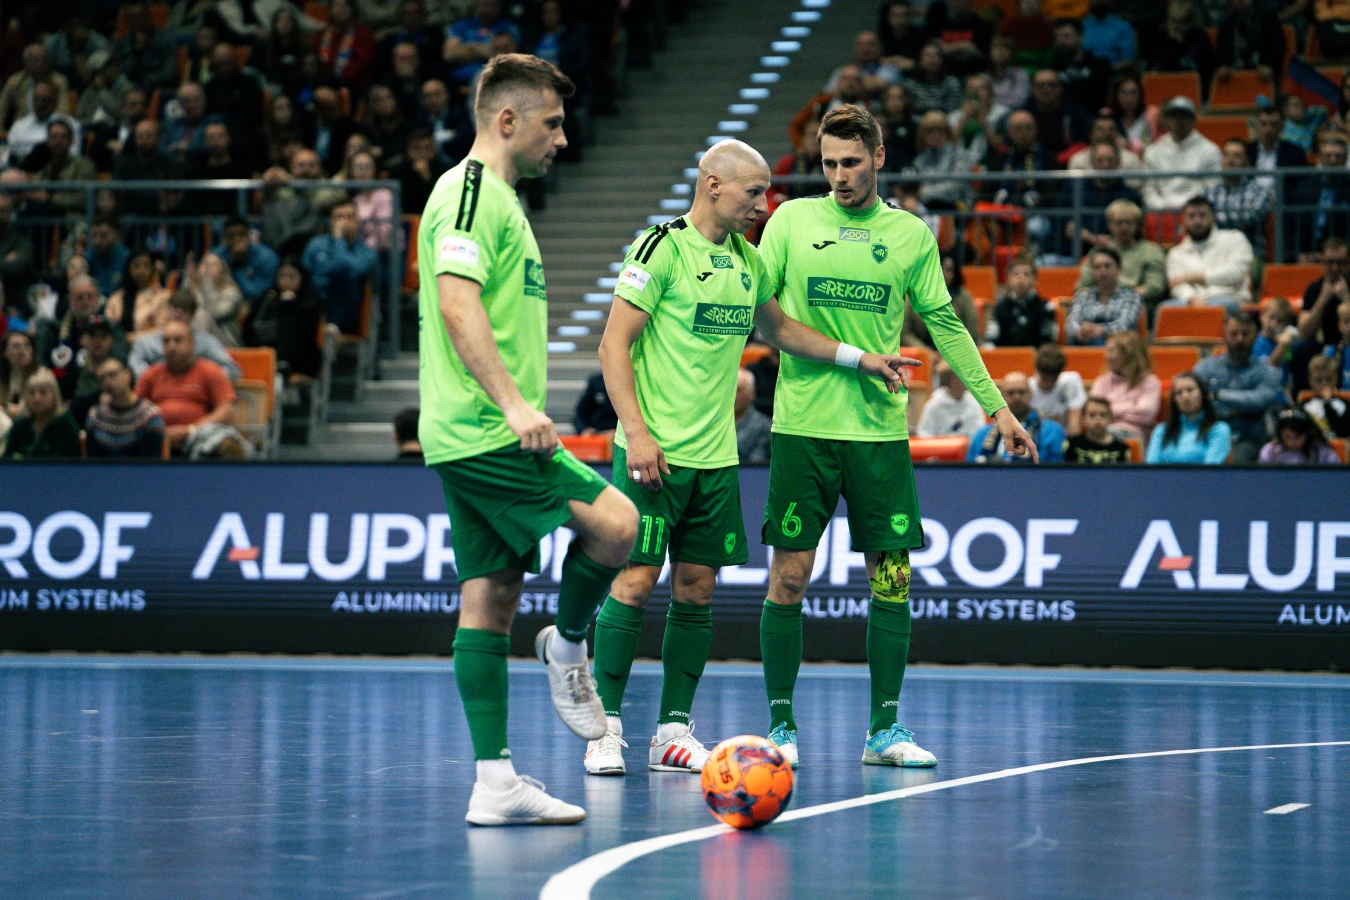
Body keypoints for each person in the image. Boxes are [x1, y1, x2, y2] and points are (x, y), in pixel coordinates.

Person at [590, 137, 914, 776]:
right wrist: (638, 432)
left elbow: (781, 329)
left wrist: (859, 358)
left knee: (697, 587)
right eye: (754, 192)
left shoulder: (748, 261)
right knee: (635, 580)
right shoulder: (659, 248)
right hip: (652, 453)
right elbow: (612, 345)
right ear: (713, 184)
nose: (763, 206)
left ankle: (672, 731)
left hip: (716, 457)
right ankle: (604, 729)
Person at [754, 104, 1033, 769]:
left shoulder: (910, 234)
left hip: (879, 433)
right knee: (788, 577)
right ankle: (781, 728)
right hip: (802, 428)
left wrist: (997, 408)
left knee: (892, 579)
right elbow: (765, 320)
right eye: (828, 164)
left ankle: (884, 730)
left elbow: (946, 325)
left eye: (851, 162)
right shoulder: (789, 221)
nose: (839, 176)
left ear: (878, 158)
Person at [417, 53, 639, 826]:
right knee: (619, 526)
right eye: (553, 123)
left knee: (491, 594)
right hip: (486, 431)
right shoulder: (470, 193)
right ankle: (569, 647)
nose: (563, 139)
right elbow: (457, 304)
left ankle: (495, 785)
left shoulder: (503, 202)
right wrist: (513, 406)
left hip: (467, 431)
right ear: (507, 120)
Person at [136, 320, 247, 458]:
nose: (171, 346)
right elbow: (135, 411)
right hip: (158, 436)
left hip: (199, 434)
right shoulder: (151, 374)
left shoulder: (210, 370)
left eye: (178, 340)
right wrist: (163, 432)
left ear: (192, 343)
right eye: (166, 341)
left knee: (227, 445)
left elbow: (226, 410)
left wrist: (191, 430)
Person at [1193, 310, 1286, 462]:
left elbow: (1260, 400)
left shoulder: (1267, 369)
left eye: (1245, 334)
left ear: (1255, 336)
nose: (1240, 339)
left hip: (1248, 437)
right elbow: (1197, 400)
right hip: (1209, 432)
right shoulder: (1206, 367)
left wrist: (1218, 395)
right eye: (1234, 334)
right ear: (1224, 335)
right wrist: (1241, 406)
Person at [1162, 195, 1253, 315]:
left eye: (1202, 215)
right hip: (1190, 301)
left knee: (1224, 306)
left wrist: (1192, 277)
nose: (1197, 221)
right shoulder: (1176, 253)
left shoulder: (1234, 238)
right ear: (1184, 220)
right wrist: (1192, 298)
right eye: (1191, 216)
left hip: (1229, 298)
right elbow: (1176, 285)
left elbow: (1236, 272)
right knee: (1164, 309)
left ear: (1213, 218)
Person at [1076, 199, 1167, 316]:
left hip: (1138, 307)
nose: (1124, 227)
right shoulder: (1098, 251)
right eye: (1119, 222)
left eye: (1129, 222)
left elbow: (1154, 287)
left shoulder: (1152, 251)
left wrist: (1121, 298)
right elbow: (1084, 285)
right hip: (1100, 305)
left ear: (1137, 224)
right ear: (1109, 224)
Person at [129, 289, 244, 381]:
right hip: (158, 394)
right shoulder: (146, 342)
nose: (178, 314)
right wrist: (156, 379)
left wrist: (200, 379)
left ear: (193, 316)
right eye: (174, 309)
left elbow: (232, 370)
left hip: (195, 393)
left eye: (185, 311)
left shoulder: (207, 342)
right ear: (166, 310)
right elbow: (135, 364)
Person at [303, 201, 378, 334]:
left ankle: (332, 329)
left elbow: (349, 269)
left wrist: (339, 241)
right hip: (315, 302)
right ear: (331, 221)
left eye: (349, 217)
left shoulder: (366, 251)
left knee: (341, 282)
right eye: (339, 217)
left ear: (358, 222)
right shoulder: (316, 244)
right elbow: (304, 271)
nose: (344, 222)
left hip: (347, 308)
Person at [243, 258, 322, 378]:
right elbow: (250, 326)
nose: (286, 281)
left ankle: (282, 365)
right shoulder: (268, 297)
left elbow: (306, 333)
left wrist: (289, 306)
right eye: (282, 276)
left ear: (302, 277)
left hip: (301, 356)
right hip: (267, 349)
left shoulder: (310, 300)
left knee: (287, 324)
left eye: (292, 276)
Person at [1142, 97, 1221, 212]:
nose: (1179, 120)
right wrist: (1163, 207)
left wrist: (1190, 208)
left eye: (1184, 116)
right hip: (1162, 212)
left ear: (1193, 120)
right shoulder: (1153, 151)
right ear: (1166, 120)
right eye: (1174, 116)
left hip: (1197, 212)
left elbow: (1212, 188)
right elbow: (1149, 189)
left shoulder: (1210, 150)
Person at [969, 372, 1064, 462]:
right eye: (1010, 393)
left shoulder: (1052, 431)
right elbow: (969, 470)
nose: (1016, 397)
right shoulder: (982, 435)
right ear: (1001, 396)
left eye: (1021, 392)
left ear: (1031, 394)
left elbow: (1056, 470)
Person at [83, 357, 166, 458]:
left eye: (112, 374)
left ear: (127, 374)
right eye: (102, 378)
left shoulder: (149, 415)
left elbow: (152, 462)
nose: (107, 381)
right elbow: (92, 462)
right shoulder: (95, 416)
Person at [1208, 139, 1274, 262]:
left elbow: (1248, 219)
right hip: (1217, 254)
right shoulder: (1212, 191)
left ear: (1246, 163)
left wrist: (1216, 219)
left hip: (1251, 253)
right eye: (1226, 155)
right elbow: (1206, 222)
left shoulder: (1258, 191)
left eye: (1237, 156)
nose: (1230, 160)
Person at [1288, 135, 1350, 262]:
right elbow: (1290, 225)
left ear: (1345, 159)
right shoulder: (1304, 187)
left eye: (1338, 156)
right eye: (1328, 156)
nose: (1333, 160)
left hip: (1340, 259)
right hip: (1305, 254)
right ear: (1320, 158)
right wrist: (1296, 255)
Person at [1146, 371, 1231, 463]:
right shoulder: (1162, 430)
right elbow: (1152, 466)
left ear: (1202, 394)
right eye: (1179, 393)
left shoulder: (1218, 429)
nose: (1185, 396)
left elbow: (1211, 469)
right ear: (1174, 400)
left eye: (1190, 390)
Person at [1091, 330, 1161, 441]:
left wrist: (1109, 410)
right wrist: (1131, 405)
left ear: (1127, 354)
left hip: (1134, 435)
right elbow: (1094, 412)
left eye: (1111, 351)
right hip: (1103, 433)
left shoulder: (1149, 381)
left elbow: (1146, 414)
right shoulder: (1102, 381)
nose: (1106, 356)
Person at [902, 251, 980, 346]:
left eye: (949, 270)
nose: (944, 274)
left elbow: (972, 333)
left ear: (955, 274)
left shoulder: (964, 297)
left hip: (955, 351)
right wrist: (925, 351)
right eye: (940, 268)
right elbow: (905, 333)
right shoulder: (915, 294)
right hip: (922, 351)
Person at [1067, 246, 1142, 345]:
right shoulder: (1083, 295)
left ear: (1120, 269)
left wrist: (1100, 330)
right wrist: (1079, 330)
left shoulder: (1131, 296)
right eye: (1097, 267)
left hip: (1119, 344)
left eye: (1107, 266)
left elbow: (1125, 324)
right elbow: (1072, 321)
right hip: (1084, 341)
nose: (1102, 271)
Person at [0, 367, 80, 459]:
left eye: (43, 392)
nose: (37, 399)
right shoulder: (20, 424)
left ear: (55, 396)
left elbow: (68, 461)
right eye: (31, 393)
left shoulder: (65, 424)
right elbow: (7, 459)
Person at [983, 254, 1057, 347]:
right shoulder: (999, 307)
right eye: (1016, 274)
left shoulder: (1046, 307)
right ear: (1009, 279)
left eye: (1026, 274)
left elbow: (1048, 341)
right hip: (1006, 355)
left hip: (1036, 355)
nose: (1021, 279)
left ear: (1035, 279)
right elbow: (991, 339)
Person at [4, 81, 79, 167]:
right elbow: (8, 155)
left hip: (54, 170)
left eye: (45, 100)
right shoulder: (19, 126)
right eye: (37, 99)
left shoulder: (70, 124)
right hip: (19, 171)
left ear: (55, 101)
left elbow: (73, 156)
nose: (40, 104)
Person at [213, 218, 280, 308]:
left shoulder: (267, 257)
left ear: (248, 235)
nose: (237, 239)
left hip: (256, 306)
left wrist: (237, 264)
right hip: (222, 302)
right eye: (231, 235)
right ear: (225, 238)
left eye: (241, 234)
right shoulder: (216, 256)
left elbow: (259, 294)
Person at [106, 251, 172, 342]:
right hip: (118, 344)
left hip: (151, 346)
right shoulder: (116, 298)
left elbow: (162, 329)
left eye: (146, 266)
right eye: (136, 266)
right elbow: (109, 325)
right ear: (129, 269)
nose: (141, 271)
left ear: (153, 269)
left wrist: (132, 338)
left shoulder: (164, 296)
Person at [1214, 0, 1285, 83]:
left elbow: (1277, 48)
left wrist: (1269, 66)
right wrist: (1223, 66)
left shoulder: (1269, 19)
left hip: (1263, 77)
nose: (1240, 1)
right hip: (1233, 77)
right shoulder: (1226, 24)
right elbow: (1221, 54)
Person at [1050, 18, 1113, 111]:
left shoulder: (1099, 65)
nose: (1061, 42)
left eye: (1066, 36)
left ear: (1080, 37)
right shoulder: (1053, 67)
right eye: (1057, 37)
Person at [916, 358, 986, 437]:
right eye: (959, 376)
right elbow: (924, 434)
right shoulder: (934, 404)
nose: (965, 380)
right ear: (949, 378)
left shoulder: (974, 404)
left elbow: (979, 435)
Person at [315, 0, 376, 90]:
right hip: (324, 84)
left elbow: (362, 63)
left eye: (345, 6)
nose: (341, 9)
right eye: (337, 6)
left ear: (352, 9)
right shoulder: (321, 35)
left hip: (355, 85)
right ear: (330, 10)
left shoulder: (362, 33)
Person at [187, 252, 245, 347]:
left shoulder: (232, 292)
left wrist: (207, 283)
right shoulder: (194, 290)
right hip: (198, 337)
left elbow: (213, 313)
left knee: (202, 317)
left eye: (213, 264)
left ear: (223, 270)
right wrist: (188, 280)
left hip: (226, 342)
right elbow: (182, 308)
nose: (207, 268)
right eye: (205, 263)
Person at [1030, 343, 1088, 435]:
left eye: (1054, 379)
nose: (1049, 383)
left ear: (1062, 371)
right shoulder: (1027, 388)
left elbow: (1074, 426)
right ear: (1036, 369)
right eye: (1045, 378)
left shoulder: (1071, 381)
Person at [1064, 395, 1133, 462]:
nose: (1098, 419)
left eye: (1103, 415)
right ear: (1083, 418)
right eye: (1092, 415)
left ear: (1110, 418)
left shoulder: (1121, 448)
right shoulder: (1072, 445)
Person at [1258, 408, 1339, 464]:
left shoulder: (1321, 451)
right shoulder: (1270, 451)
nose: (1292, 442)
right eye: (1287, 437)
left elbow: (1335, 475)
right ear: (1280, 434)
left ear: (1307, 434)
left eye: (1297, 436)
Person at [0, 192, 36, 312]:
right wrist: (5, 260)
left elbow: (18, 267)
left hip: (14, 306)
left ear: (10, 213)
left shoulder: (21, 241)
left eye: (2, 210)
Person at [906, 42, 962, 115]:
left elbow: (952, 112)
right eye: (928, 55)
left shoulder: (951, 83)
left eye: (936, 55)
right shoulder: (911, 84)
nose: (932, 60)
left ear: (942, 60)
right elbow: (910, 113)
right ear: (920, 60)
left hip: (945, 119)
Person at [1302, 355, 1350, 437]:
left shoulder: (1344, 405)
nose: (1324, 384)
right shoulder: (1305, 406)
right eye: (1319, 380)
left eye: (1328, 379)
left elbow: (1342, 432)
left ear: (1335, 379)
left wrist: (1327, 403)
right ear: (1310, 381)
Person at [1081, 0, 1138, 67]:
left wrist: (1106, 70)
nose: (1097, 2)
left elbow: (1128, 61)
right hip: (1084, 70)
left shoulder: (1123, 27)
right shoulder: (1083, 25)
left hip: (1114, 70)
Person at [735, 368, 773, 465]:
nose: (734, 396)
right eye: (731, 390)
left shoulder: (764, 426)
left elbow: (757, 463)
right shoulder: (713, 422)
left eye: (739, 390)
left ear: (752, 393)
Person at [1, 330, 39, 419]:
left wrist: (5, 407)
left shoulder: (41, 376)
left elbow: (33, 410)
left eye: (27, 345)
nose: (22, 350)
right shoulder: (3, 376)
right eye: (16, 346)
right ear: (5, 352)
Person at [572, 372, 616, 436]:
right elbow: (580, 414)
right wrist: (584, 429)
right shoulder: (596, 382)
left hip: (620, 432)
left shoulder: (628, 383)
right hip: (596, 432)